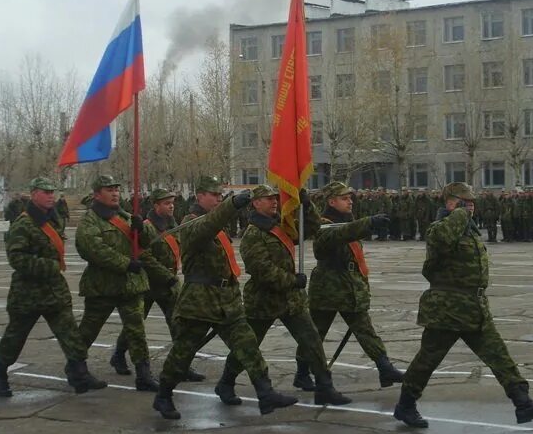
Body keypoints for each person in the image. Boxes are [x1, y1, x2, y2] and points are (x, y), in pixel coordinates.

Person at [393, 182, 533, 428]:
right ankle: (405, 405)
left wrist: (462, 214)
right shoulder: (440, 228)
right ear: (450, 202)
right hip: (447, 308)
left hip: (473, 305)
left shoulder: (468, 231)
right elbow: (441, 240)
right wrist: (459, 213)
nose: (470, 207)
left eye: (471, 203)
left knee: (499, 355)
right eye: (464, 202)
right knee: (427, 360)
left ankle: (523, 402)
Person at [153, 176, 298, 420]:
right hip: (199, 301)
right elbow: (208, 225)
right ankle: (164, 395)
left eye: (221, 195)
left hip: (226, 299)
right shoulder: (191, 223)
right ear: (199, 196)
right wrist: (231, 205)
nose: (219, 198)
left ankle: (266, 392)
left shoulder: (217, 225)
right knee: (183, 352)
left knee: (248, 346)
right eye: (214, 195)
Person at [215, 184, 351, 407]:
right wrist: (293, 281)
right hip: (263, 301)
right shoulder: (253, 234)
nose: (274, 202)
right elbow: (263, 270)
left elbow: (312, 228)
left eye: (275, 198)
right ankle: (226, 383)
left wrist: (306, 205)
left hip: (291, 300)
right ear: (256, 203)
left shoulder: (281, 226)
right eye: (268, 199)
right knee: (248, 346)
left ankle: (325, 387)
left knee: (312, 340)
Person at [0, 177, 106, 398]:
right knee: (15, 337)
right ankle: (0, 375)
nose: (50, 195)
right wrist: (49, 266)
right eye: (45, 192)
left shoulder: (52, 220)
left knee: (70, 334)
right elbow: (16, 258)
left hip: (54, 291)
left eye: (52, 192)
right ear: (34, 194)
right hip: (28, 293)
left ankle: (79, 374)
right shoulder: (23, 224)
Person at [294, 181, 406, 390]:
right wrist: (368, 223)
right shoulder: (325, 224)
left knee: (365, 329)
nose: (350, 201)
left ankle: (384, 367)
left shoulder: (346, 221)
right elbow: (338, 235)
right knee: (315, 333)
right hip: (328, 288)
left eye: (350, 197)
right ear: (332, 201)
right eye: (345, 198)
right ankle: (302, 372)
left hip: (349, 287)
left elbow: (349, 234)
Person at [109, 187, 204, 382]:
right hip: (148, 284)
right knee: (134, 326)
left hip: (168, 284)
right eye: (166, 203)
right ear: (156, 205)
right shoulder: (146, 227)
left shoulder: (172, 224)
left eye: (172, 203)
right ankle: (118, 355)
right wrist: (164, 275)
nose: (171, 206)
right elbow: (144, 255)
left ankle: (182, 365)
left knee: (178, 324)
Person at [75, 175, 159, 392]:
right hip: (102, 286)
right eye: (109, 189)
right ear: (96, 194)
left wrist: (143, 228)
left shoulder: (125, 216)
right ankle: (76, 368)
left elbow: (149, 242)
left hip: (129, 286)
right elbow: (92, 249)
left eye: (116, 189)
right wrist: (125, 263)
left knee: (136, 330)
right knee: (88, 330)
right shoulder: (90, 221)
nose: (114, 193)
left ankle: (143, 373)